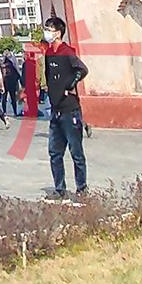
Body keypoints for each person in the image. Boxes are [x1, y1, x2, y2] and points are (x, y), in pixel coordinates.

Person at [42, 17, 88, 198]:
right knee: (55, 153)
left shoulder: (67, 52)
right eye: (46, 29)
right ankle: (59, 189)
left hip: (70, 110)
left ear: (58, 33)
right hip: (56, 111)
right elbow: (48, 75)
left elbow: (82, 70)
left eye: (50, 29)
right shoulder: (49, 53)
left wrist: (70, 85)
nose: (47, 32)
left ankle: (82, 189)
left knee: (76, 153)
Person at [1, 48, 23, 118]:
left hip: (5, 82)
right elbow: (17, 71)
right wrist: (19, 79)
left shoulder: (3, 64)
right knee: (12, 97)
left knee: (4, 98)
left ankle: (4, 112)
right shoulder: (12, 63)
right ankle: (14, 112)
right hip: (11, 82)